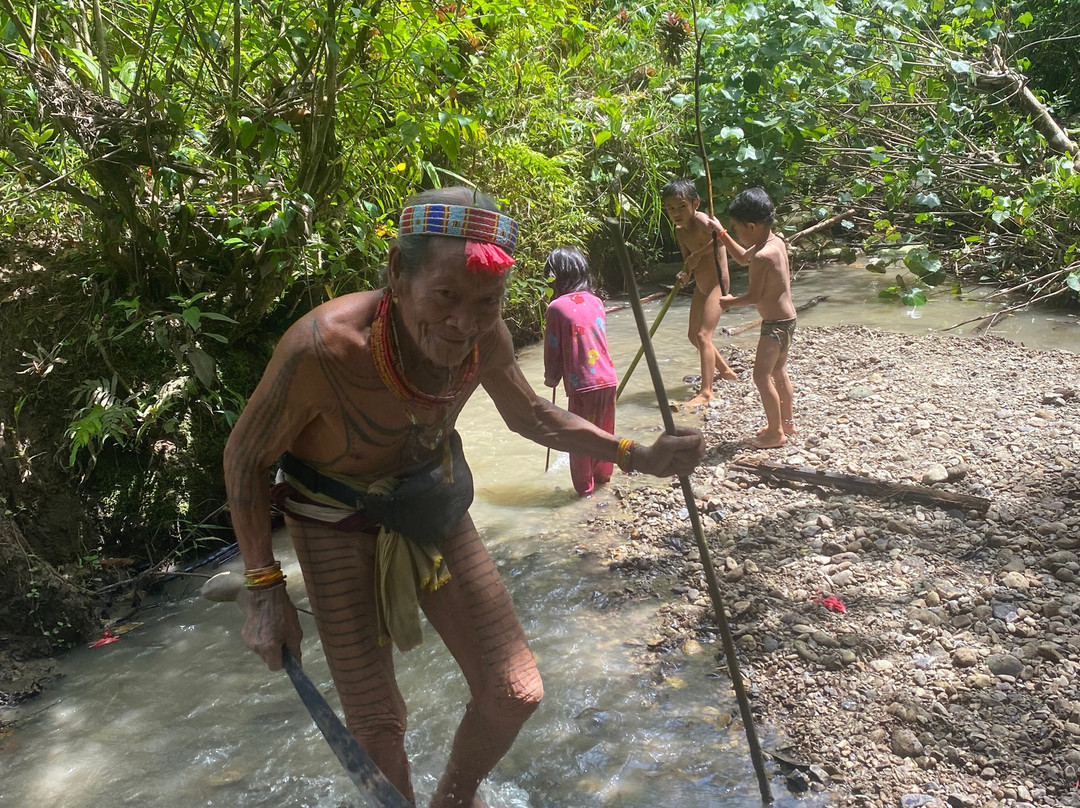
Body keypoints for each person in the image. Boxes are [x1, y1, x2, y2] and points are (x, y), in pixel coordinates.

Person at [222, 186, 706, 808]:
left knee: (514, 691)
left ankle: (453, 800)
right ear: (398, 273)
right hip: (331, 518)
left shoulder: (486, 337)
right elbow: (244, 458)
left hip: (431, 501)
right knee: (377, 724)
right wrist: (264, 587)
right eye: (445, 297)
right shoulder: (322, 348)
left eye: (486, 301)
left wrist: (635, 454)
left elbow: (530, 414)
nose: (463, 323)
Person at [714, 187, 797, 449]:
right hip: (787, 320)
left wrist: (730, 302)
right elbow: (740, 257)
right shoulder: (775, 242)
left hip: (774, 325)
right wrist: (722, 233)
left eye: (736, 228)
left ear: (751, 226)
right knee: (778, 371)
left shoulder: (762, 256)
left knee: (761, 376)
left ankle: (775, 433)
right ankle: (786, 423)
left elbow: (756, 296)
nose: (737, 232)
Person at [542, 246, 618, 497]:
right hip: (607, 379)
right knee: (604, 432)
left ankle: (584, 491)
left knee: (579, 439)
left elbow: (553, 348)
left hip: (582, 385)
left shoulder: (556, 307)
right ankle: (604, 478)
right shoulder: (596, 302)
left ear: (556, 276)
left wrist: (551, 378)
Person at [661, 177, 738, 408]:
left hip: (717, 284)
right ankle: (725, 372)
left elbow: (721, 242)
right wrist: (684, 275)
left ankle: (706, 392)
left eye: (681, 207)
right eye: (671, 208)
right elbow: (688, 263)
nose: (676, 213)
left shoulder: (705, 221)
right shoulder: (680, 231)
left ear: (695, 204)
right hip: (702, 286)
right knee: (692, 334)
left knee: (704, 335)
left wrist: (700, 253)